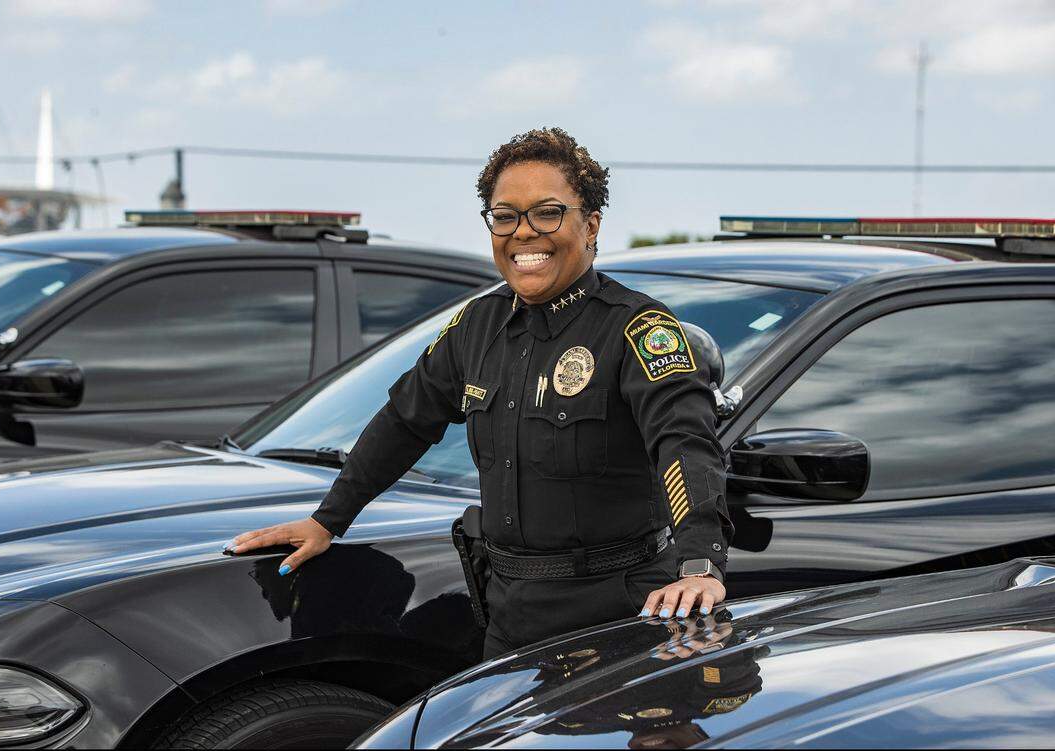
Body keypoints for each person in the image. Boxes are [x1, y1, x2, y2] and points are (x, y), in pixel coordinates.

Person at [228, 127, 734, 658]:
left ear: (591, 226)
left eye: (547, 213)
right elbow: (406, 419)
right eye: (505, 216)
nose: (523, 233)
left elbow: (684, 442)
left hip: (619, 613)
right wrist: (329, 519)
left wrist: (700, 562)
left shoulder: (638, 328)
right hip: (509, 613)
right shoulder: (477, 324)